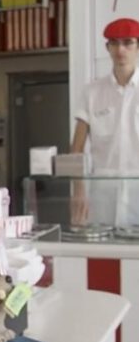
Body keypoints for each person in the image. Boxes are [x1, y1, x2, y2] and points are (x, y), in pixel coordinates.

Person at [71, 17, 139, 226]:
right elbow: (77, 149)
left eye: (128, 42)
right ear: (107, 48)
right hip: (103, 191)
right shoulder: (92, 92)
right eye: (114, 43)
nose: (121, 50)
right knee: (104, 253)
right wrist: (79, 190)